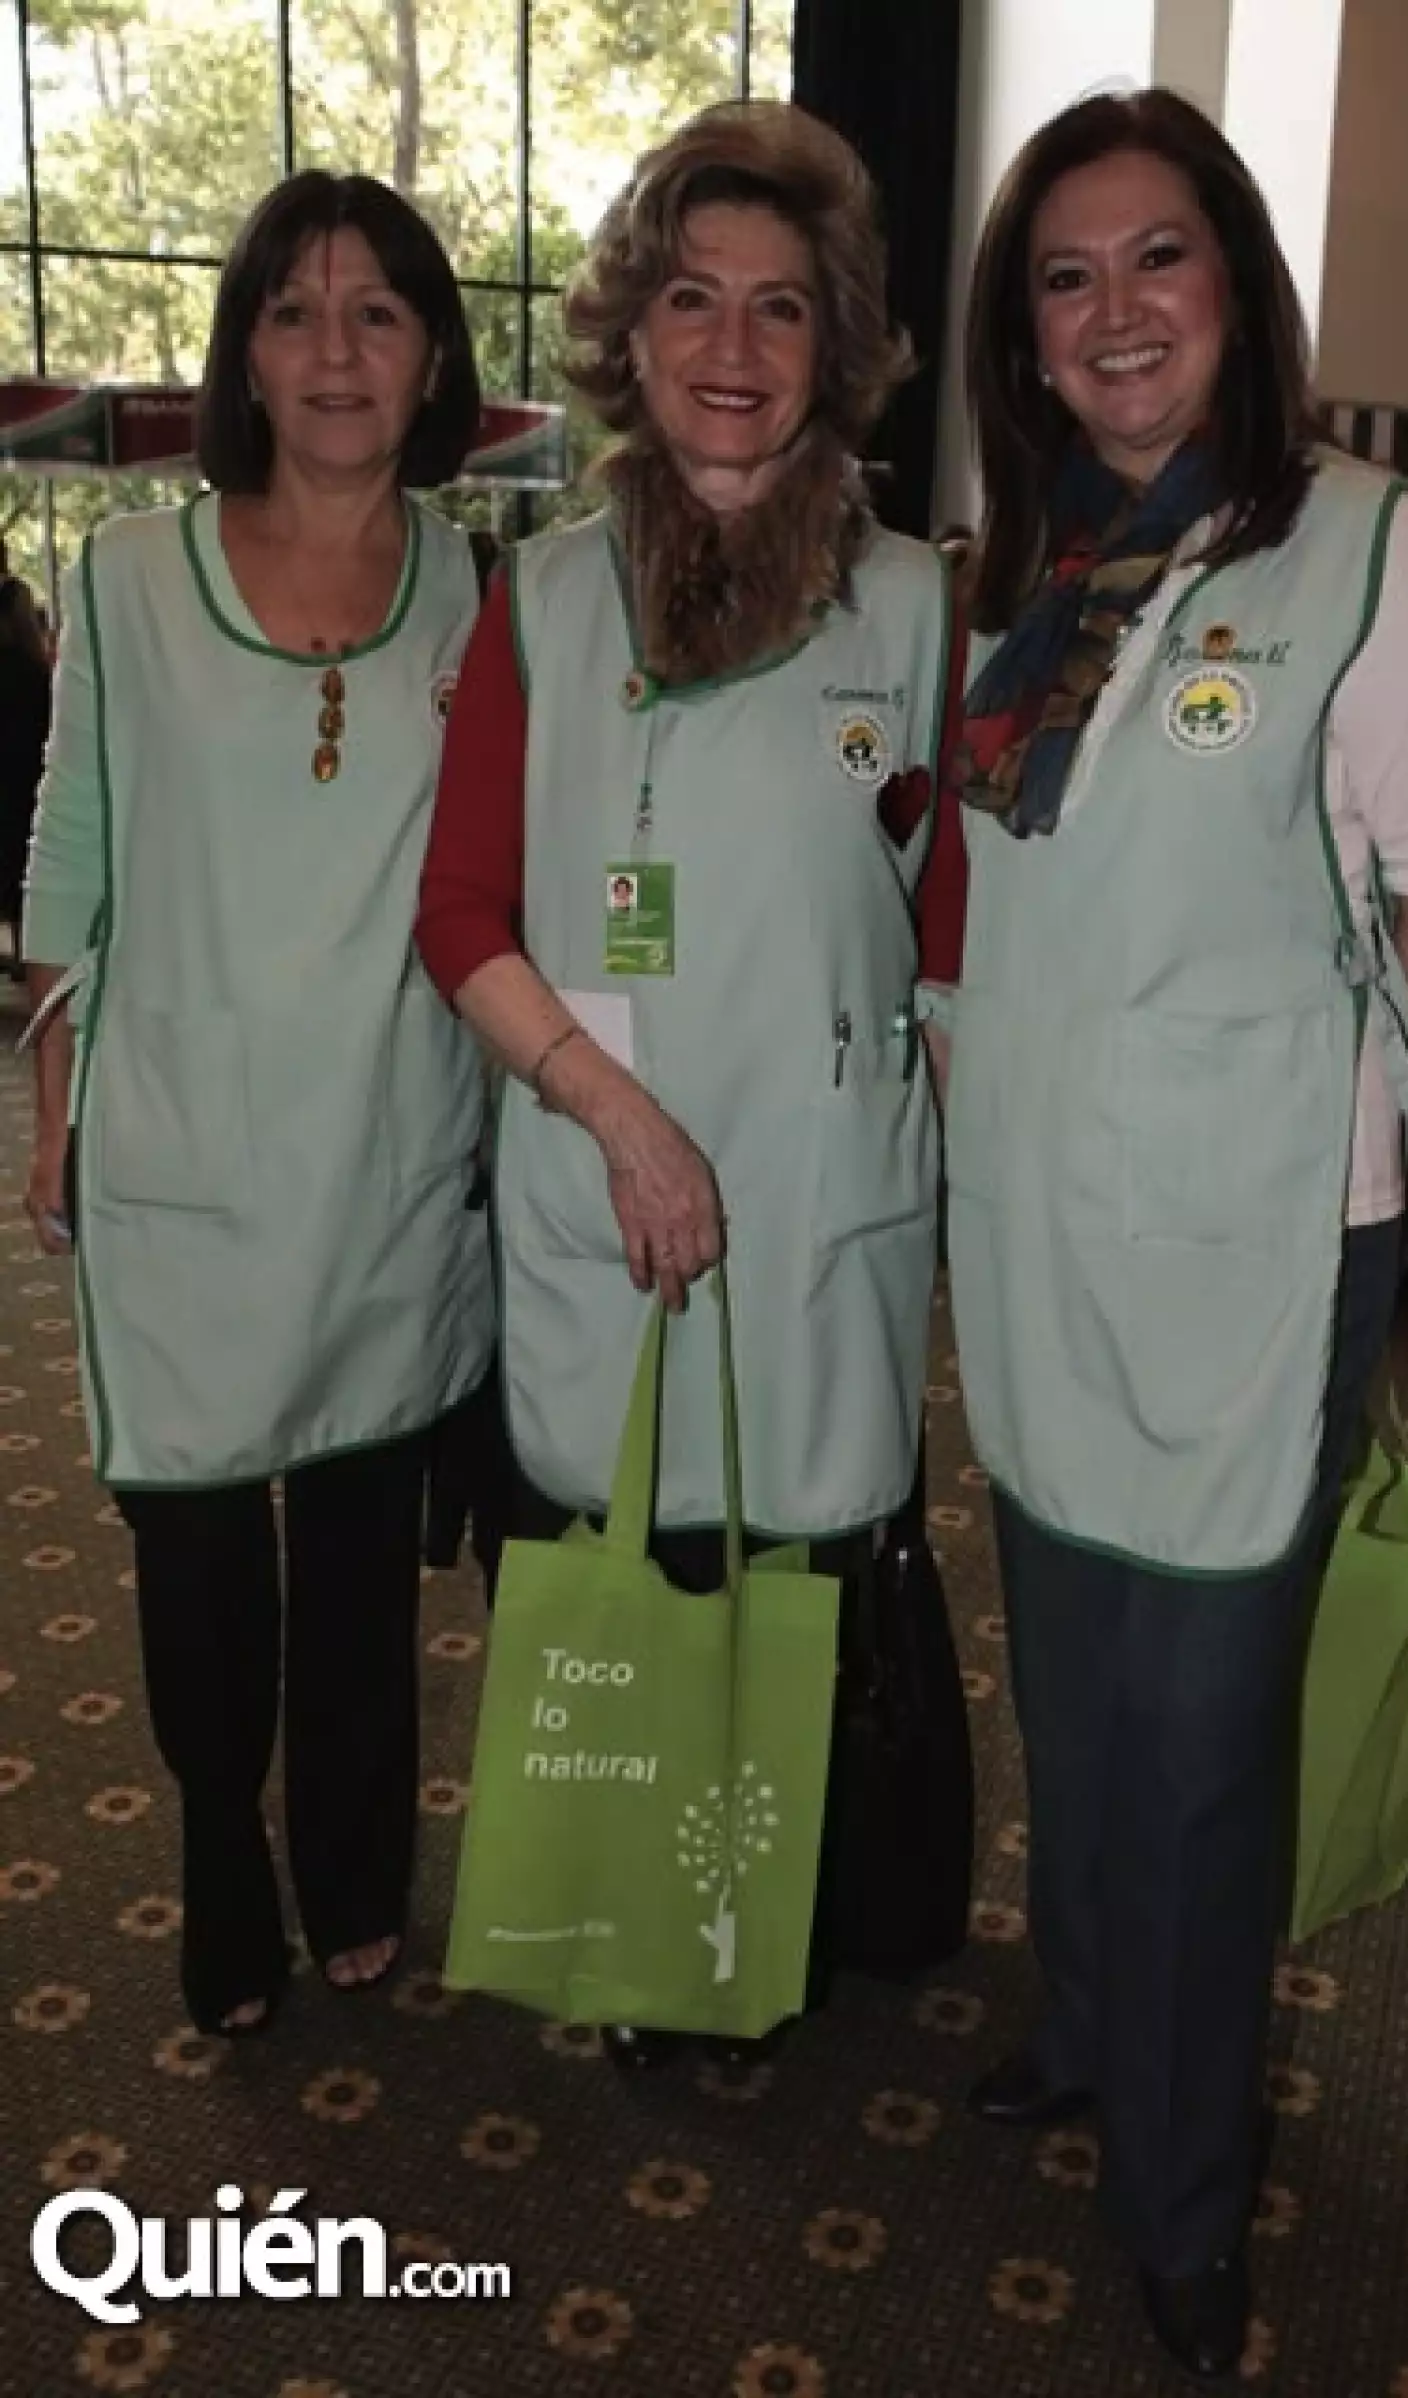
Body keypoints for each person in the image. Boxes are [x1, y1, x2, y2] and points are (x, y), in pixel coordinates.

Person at [920, 90, 1408, 2379]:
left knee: (1191, 1728)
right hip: (1042, 1224)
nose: (1111, 311)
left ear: (1236, 288)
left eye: (1153, 256)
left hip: (1251, 1241)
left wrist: (1300, 1128)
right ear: (1022, 334)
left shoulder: (1366, 550)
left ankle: (1182, 2184)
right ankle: (1087, 2024)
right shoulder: (1032, 565)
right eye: (1062, 277)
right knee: (1068, 1662)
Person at [418, 100, 951, 2070]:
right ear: (628, 335)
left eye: (780, 307)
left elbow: (949, 912)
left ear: (836, 345)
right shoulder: (545, 602)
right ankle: (650, 1923)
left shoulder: (914, 605)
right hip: (604, 1160)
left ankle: (776, 1917)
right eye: (692, 300)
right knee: (627, 1547)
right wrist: (616, 1114)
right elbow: (459, 909)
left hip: (819, 1191)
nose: (733, 347)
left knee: (802, 1562)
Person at [22, 171, 494, 2038]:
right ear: (243, 354)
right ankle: (223, 1842)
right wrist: (52, 1108)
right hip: (183, 1139)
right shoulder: (130, 578)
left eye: (378, 312)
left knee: (365, 1560)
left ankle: (357, 1868)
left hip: (389, 1142)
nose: (335, 351)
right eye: (293, 311)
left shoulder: (483, 589)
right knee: (204, 1553)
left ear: (435, 356)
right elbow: (71, 860)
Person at [0, 568, 52, 979]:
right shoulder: (35, 672)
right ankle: (25, 952)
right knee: (21, 864)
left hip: (13, 775)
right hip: (24, 778)